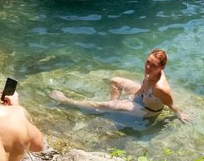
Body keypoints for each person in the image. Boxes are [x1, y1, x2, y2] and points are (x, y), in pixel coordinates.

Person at [50, 48, 192, 124]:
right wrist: (135, 95)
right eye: (147, 62)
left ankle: (66, 101)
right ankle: (113, 105)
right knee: (115, 80)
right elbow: (144, 85)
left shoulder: (161, 88)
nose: (148, 67)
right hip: (141, 96)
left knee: (101, 106)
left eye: (153, 65)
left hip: (146, 109)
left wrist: (180, 114)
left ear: (162, 67)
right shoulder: (150, 72)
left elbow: (171, 104)